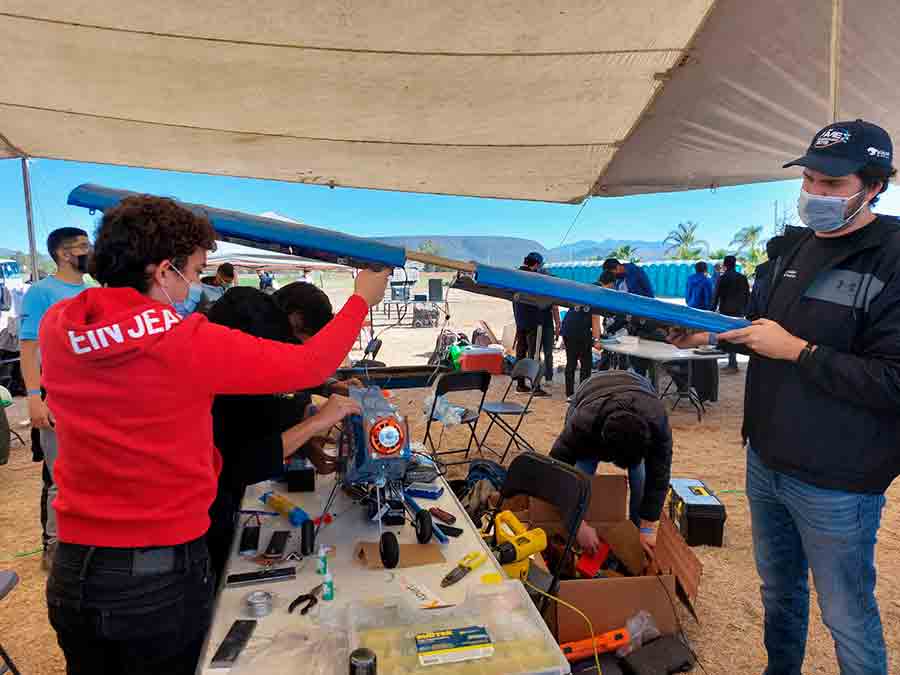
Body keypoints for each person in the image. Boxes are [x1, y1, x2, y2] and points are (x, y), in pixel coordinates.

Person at [40, 195, 389, 674]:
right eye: (196, 271)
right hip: (155, 577)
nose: (197, 285)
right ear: (164, 271)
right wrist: (360, 300)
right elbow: (309, 363)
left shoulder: (59, 326)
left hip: (74, 568)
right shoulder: (179, 340)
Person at [669, 119, 899, 675]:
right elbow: (760, 328)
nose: (814, 195)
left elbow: (893, 380)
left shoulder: (891, 259)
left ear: (874, 187)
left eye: (831, 185)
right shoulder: (789, 250)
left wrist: (798, 351)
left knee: (846, 613)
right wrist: (708, 333)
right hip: (766, 459)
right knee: (779, 593)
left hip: (838, 479)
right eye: (810, 181)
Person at [205, 286, 354, 577]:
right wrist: (313, 424)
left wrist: (305, 439)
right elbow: (242, 461)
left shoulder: (228, 353)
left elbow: (266, 413)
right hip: (211, 514)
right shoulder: (219, 388)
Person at [19, 227, 90, 570]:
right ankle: (57, 548)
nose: (89, 252)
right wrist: (35, 396)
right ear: (64, 253)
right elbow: (29, 348)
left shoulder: (90, 290)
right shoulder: (41, 292)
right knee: (61, 476)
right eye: (83, 247)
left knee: (87, 473)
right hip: (54, 394)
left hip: (88, 395)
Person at [549, 370, 672, 558]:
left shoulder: (657, 422)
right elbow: (556, 473)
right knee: (581, 475)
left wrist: (647, 528)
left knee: (641, 477)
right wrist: (578, 525)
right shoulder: (581, 425)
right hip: (590, 392)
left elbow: (659, 476)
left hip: (638, 386)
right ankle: (579, 531)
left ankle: (634, 533)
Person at [512, 252, 557, 396]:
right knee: (534, 355)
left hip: (520, 321)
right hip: (534, 323)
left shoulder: (514, 275)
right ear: (536, 265)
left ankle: (520, 385)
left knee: (520, 353)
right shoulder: (533, 277)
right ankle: (535, 387)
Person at [712, 255, 749, 371]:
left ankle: (732, 364)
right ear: (734, 264)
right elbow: (747, 295)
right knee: (735, 335)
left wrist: (711, 310)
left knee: (727, 336)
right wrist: (746, 310)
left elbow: (716, 295)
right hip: (738, 311)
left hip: (726, 311)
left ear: (725, 265)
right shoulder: (742, 277)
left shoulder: (722, 278)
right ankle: (732, 362)